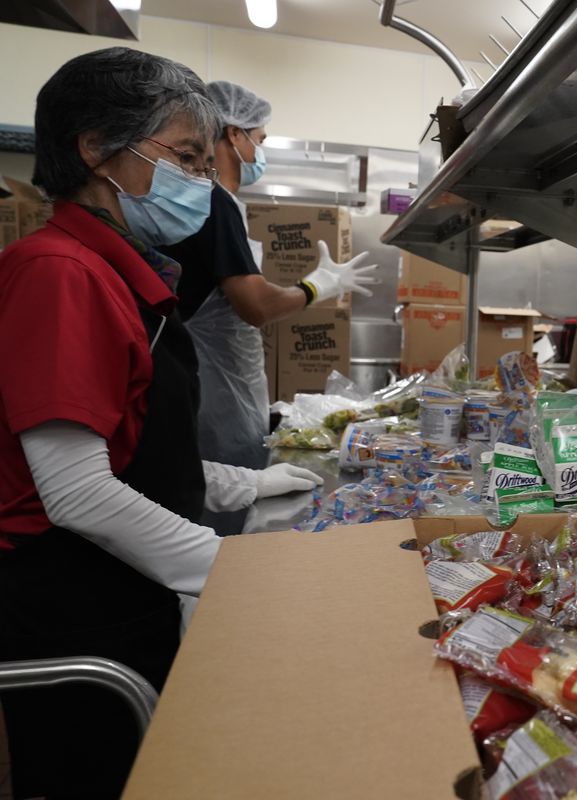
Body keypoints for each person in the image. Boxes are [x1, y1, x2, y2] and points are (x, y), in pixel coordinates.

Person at [0, 48, 325, 798]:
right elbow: (76, 492)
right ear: (95, 147)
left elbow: (131, 450)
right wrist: (230, 569)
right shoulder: (59, 273)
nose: (201, 185)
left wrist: (249, 482)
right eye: (185, 159)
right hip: (78, 619)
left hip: (124, 595)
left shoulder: (120, 272)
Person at [161, 81, 378, 474]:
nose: (259, 152)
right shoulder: (214, 202)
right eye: (259, 140)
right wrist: (318, 286)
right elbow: (256, 306)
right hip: (215, 394)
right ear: (233, 134)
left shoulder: (215, 203)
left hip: (223, 385)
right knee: (227, 499)